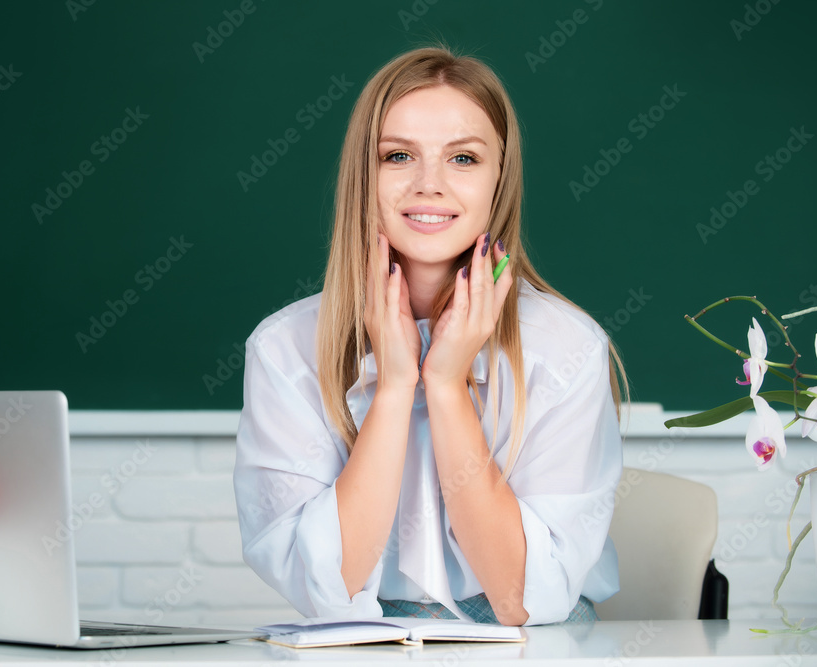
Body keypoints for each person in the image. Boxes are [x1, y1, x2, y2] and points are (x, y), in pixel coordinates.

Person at [233, 45, 626, 626]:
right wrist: (394, 386)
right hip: (362, 640)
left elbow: (519, 601)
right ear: (363, 175)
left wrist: (443, 384)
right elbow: (331, 589)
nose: (429, 185)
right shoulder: (282, 349)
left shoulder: (567, 348)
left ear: (500, 179)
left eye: (463, 159)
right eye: (398, 156)